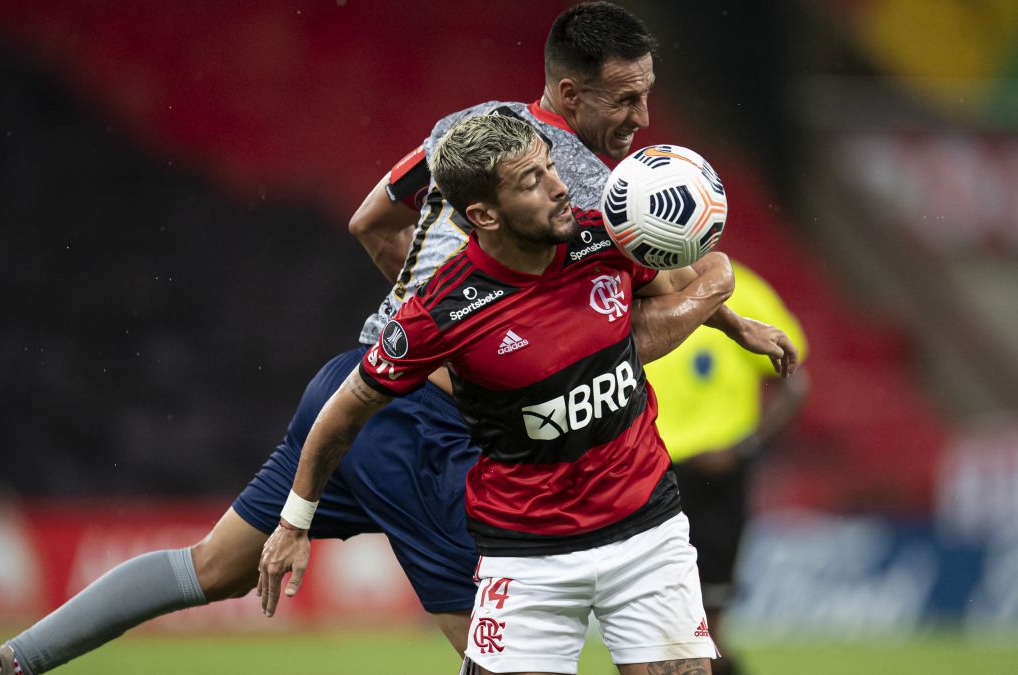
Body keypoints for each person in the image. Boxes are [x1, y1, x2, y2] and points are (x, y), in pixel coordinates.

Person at [0, 4, 767, 674]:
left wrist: (429, 317)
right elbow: (632, 314)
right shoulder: (584, 189)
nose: (641, 119)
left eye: (647, 96)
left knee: (211, 567)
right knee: (494, 640)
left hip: (362, 382)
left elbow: (372, 217)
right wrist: (469, 338)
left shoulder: (470, 131)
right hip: (428, 432)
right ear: (571, 92)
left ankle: (7, 662)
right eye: (625, 100)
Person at [257, 114, 799, 675]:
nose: (559, 186)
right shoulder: (440, 312)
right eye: (531, 182)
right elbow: (344, 412)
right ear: (484, 215)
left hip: (645, 530)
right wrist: (296, 523)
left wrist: (738, 326)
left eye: (549, 167)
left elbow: (667, 289)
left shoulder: (601, 238)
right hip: (529, 554)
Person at [644, 260, 809, 675]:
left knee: (709, 625)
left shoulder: (743, 289)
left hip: (717, 478)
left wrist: (746, 448)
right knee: (648, 629)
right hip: (646, 473)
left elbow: (795, 383)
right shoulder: (631, 286)